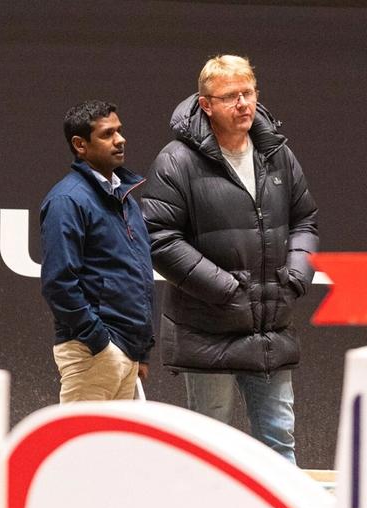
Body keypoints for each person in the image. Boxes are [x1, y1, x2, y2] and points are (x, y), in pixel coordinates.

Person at [141, 54, 318, 464]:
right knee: (210, 452)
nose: (243, 104)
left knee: (279, 443)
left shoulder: (277, 153)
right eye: (230, 97)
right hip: (208, 331)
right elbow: (159, 237)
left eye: (248, 93)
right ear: (206, 104)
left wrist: (295, 276)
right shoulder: (176, 160)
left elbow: (305, 219)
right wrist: (226, 289)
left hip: (270, 329)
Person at [40, 101, 154, 403]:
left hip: (126, 353)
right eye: (107, 134)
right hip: (94, 353)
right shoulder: (67, 200)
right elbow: (59, 283)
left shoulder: (125, 199)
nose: (120, 139)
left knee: (115, 439)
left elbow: (139, 275)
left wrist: (140, 350)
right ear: (80, 145)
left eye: (119, 130)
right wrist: (99, 342)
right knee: (80, 437)